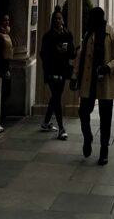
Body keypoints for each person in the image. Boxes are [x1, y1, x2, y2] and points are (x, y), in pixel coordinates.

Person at [71, 6, 114, 166]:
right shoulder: (88, 33)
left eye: (92, 17)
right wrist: (75, 75)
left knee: (105, 118)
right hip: (88, 81)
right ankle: (88, 137)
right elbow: (81, 57)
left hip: (104, 81)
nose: (89, 20)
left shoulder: (112, 33)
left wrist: (108, 67)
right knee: (83, 112)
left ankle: (104, 150)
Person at [39, 8, 75, 140]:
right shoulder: (48, 36)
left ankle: (46, 122)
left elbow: (72, 54)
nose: (57, 21)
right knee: (56, 97)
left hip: (63, 70)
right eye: (55, 19)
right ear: (52, 21)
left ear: (63, 20)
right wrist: (56, 51)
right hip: (51, 71)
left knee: (55, 97)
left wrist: (71, 50)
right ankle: (61, 128)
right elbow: (43, 54)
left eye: (59, 18)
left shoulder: (67, 34)